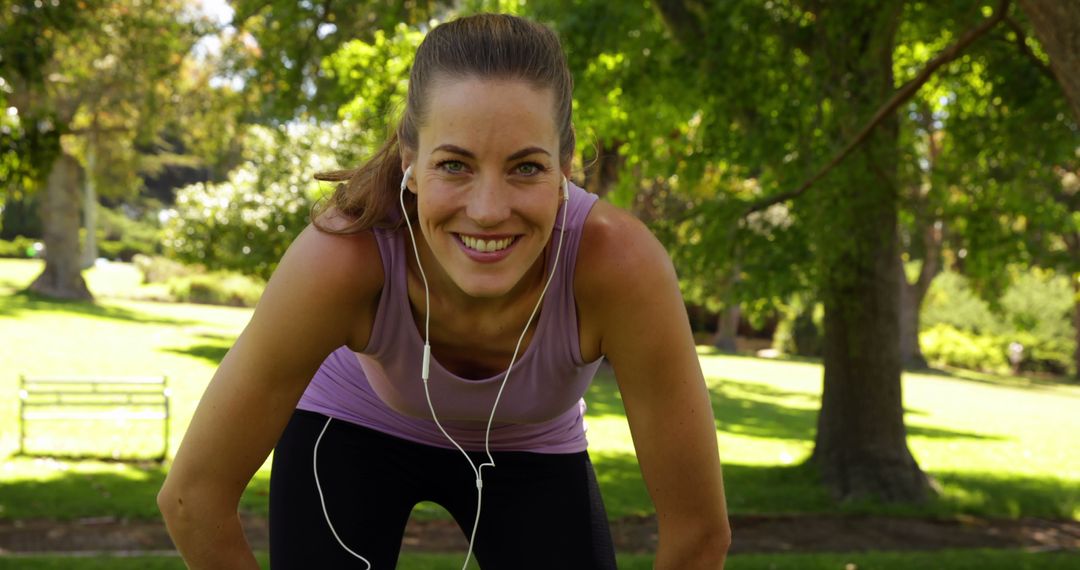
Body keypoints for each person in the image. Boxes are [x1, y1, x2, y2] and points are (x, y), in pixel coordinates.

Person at [157, 13, 730, 569]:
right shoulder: (344, 257)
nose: (486, 211)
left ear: (565, 168)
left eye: (526, 168)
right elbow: (193, 500)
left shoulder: (619, 267)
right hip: (352, 423)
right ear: (410, 161)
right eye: (454, 164)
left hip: (529, 443)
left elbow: (698, 534)